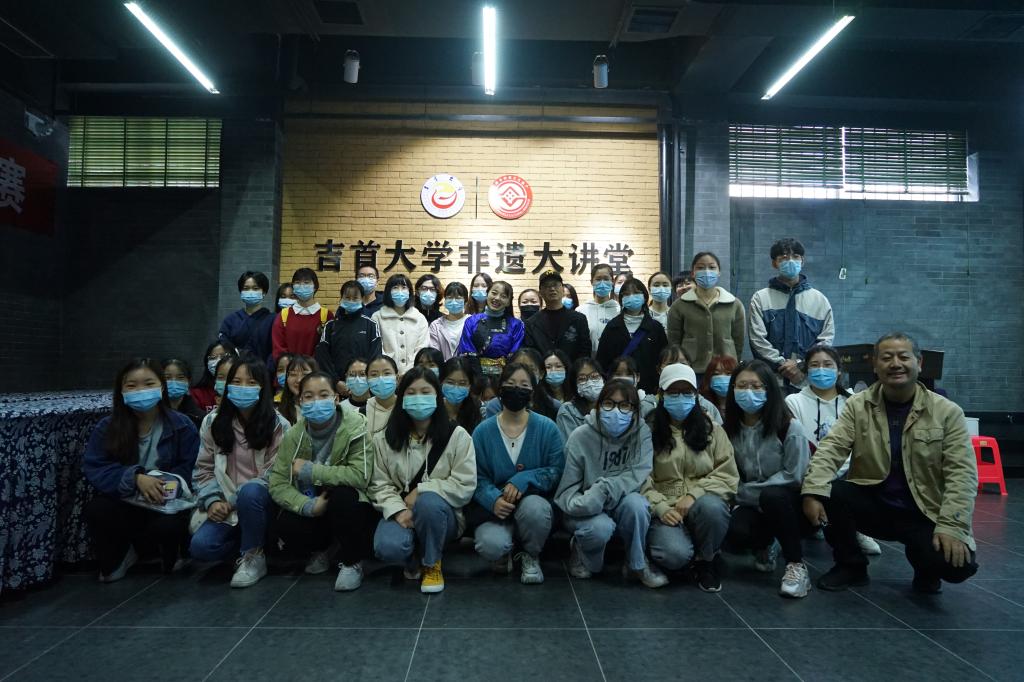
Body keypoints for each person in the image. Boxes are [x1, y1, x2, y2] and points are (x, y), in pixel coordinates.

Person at [802, 333, 979, 594]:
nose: (895, 364)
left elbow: (962, 475)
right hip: (877, 505)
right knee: (833, 492)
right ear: (875, 365)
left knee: (956, 566)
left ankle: (925, 566)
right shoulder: (858, 405)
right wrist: (812, 491)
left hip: (924, 511)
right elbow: (831, 449)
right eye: (886, 358)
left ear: (919, 363)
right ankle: (851, 566)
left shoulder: (947, 412)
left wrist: (953, 526)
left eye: (903, 357)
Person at [83, 359, 200, 581]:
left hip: (165, 501)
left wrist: (162, 484)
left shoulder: (182, 425)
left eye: (148, 384)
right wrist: (135, 478)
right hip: (125, 500)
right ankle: (123, 554)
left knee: (169, 526)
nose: (140, 391)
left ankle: (169, 553)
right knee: (97, 509)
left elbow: (191, 467)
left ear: (161, 387)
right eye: (132, 385)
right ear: (121, 391)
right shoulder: (107, 427)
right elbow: (96, 467)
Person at [369, 367, 477, 593]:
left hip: (442, 516)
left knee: (428, 502)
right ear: (401, 398)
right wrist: (399, 510)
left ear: (437, 396)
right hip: (400, 512)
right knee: (387, 547)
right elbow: (379, 484)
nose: (418, 398)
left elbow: (464, 484)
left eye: (425, 392)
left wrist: (422, 489)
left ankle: (432, 563)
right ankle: (412, 560)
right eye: (411, 392)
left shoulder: (457, 436)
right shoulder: (384, 438)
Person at [268, 371, 378, 591]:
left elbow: (360, 475)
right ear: (300, 401)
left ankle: (352, 561)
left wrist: (311, 471)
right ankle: (322, 551)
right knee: (286, 522)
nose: (316, 401)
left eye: (323, 395)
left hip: (348, 502)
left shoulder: (355, 427)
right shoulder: (294, 435)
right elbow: (277, 483)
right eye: (309, 396)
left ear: (336, 398)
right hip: (313, 500)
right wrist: (307, 505)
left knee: (344, 497)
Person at [189, 354, 290, 587]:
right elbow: (203, 468)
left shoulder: (278, 424)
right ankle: (249, 544)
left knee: (251, 492)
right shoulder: (213, 422)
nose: (242, 388)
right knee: (201, 547)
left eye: (251, 382)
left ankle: (253, 556)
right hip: (223, 504)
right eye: (236, 382)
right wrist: (213, 500)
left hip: (261, 502)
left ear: (263, 387)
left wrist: (233, 501)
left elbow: (274, 475)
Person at [555, 379, 666, 588]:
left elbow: (640, 471)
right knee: (600, 528)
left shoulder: (641, 432)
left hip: (621, 499)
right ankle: (581, 550)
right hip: (586, 506)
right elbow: (567, 492)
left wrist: (607, 488)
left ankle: (636, 564)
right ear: (598, 406)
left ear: (635, 410)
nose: (616, 411)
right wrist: (592, 498)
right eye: (609, 403)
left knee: (638, 505)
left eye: (624, 405)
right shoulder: (580, 437)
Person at [643, 364, 737, 591]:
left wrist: (695, 494)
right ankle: (683, 551)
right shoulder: (647, 431)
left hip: (702, 503)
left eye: (687, 392)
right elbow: (639, 477)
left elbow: (727, 474)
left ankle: (706, 561)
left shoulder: (712, 429)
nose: (680, 398)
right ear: (661, 395)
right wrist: (660, 507)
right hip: (665, 507)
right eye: (673, 392)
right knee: (674, 554)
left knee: (713, 509)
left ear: (696, 395)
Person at [723, 360, 812, 598]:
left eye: (756, 386)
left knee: (773, 497)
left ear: (769, 389)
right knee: (735, 532)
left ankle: (796, 564)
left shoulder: (789, 427)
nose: (748, 392)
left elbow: (795, 476)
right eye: (742, 386)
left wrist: (745, 492)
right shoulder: (728, 429)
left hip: (788, 503)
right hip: (751, 504)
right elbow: (727, 472)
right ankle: (766, 544)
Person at [469, 363, 565, 584]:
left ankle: (531, 554)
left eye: (523, 385)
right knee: (489, 545)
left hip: (533, 502)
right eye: (510, 384)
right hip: (495, 509)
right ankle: (505, 553)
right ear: (500, 388)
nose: (516, 390)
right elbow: (476, 477)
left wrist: (524, 478)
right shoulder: (482, 432)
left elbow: (556, 471)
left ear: (532, 391)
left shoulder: (547, 428)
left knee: (535, 510)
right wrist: (493, 499)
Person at [786, 344, 882, 556]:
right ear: (806, 371)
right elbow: (797, 445)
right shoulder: (793, 402)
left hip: (848, 471)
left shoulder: (854, 401)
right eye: (815, 365)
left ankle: (856, 528)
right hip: (809, 469)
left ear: (839, 370)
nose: (821, 370)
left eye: (828, 365)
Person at [749, 238, 835, 391]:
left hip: (807, 382)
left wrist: (801, 364)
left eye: (795, 257)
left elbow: (826, 340)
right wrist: (783, 365)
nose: (790, 261)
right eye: (784, 258)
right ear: (774, 263)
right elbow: (757, 340)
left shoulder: (819, 300)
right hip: (772, 382)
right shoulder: (761, 299)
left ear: (802, 261)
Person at [667, 252, 745, 377]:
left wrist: (732, 363)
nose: (707, 272)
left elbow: (738, 341)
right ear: (693, 273)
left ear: (719, 272)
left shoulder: (734, 304)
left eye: (712, 267)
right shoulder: (679, 305)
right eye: (700, 267)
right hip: (691, 369)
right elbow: (674, 341)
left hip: (725, 370)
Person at [596, 278, 668, 394]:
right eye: (627, 294)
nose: (632, 297)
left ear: (645, 297)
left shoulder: (655, 328)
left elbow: (662, 360)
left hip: (650, 389)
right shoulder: (612, 327)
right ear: (621, 299)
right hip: (617, 389)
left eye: (636, 293)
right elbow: (602, 361)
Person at [315, 280, 382, 395]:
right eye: (347, 297)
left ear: (362, 299)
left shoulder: (371, 325)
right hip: (336, 387)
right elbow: (323, 357)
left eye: (355, 298)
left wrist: (365, 380)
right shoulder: (330, 325)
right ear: (341, 298)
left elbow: (375, 356)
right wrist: (336, 381)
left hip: (365, 385)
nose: (351, 301)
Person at [456, 280, 524, 379]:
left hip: (505, 379)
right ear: (487, 294)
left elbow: (515, 355)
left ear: (509, 302)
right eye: (494, 293)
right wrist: (480, 379)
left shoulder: (516, 325)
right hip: (475, 377)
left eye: (503, 296)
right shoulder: (471, 321)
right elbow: (466, 351)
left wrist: (504, 379)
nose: (497, 298)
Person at [640, 346, 722, 425]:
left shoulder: (706, 406)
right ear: (659, 370)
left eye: (683, 363)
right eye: (670, 364)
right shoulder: (646, 408)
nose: (678, 368)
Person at [523, 270, 592, 363]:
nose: (552, 289)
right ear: (540, 292)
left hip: (572, 370)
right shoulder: (531, 323)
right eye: (547, 286)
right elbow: (531, 354)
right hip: (543, 370)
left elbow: (585, 351)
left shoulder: (579, 319)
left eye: (555, 285)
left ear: (562, 289)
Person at [370, 273, 429, 375]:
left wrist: (408, 371)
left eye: (404, 287)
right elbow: (377, 348)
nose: (400, 291)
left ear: (410, 291)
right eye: (395, 288)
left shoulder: (419, 318)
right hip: (386, 374)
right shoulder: (377, 317)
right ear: (388, 292)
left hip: (414, 374)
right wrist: (390, 370)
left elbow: (422, 348)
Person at [272, 268, 333, 360]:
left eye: (306, 282)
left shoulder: (326, 315)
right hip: (289, 367)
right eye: (297, 283)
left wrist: (310, 366)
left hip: (315, 368)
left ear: (315, 286)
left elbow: (328, 349)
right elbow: (278, 348)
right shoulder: (283, 315)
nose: (302, 286)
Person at [219, 271, 275, 366]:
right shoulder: (230, 320)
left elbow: (274, 350)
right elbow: (225, 347)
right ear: (241, 292)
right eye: (246, 288)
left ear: (264, 292)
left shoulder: (272, 320)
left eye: (255, 288)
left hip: (263, 370)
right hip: (235, 369)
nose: (250, 292)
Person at [556, 357, 604, 442]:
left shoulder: (612, 406)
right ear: (575, 385)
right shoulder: (567, 410)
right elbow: (573, 444)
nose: (590, 382)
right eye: (582, 379)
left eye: (594, 376)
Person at [578, 264, 621, 354]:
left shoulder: (619, 310)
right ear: (591, 282)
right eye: (598, 279)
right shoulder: (581, 311)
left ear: (612, 281)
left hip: (614, 359)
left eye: (606, 279)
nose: (602, 283)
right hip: (588, 359)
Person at [428, 282, 470, 361]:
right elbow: (433, 354)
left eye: (458, 298)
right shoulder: (436, 325)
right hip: (442, 368)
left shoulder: (472, 322)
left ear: (466, 300)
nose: (453, 301)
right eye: (449, 297)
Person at [440, 356, 482, 435]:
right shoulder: (434, 409)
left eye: (462, 383)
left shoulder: (476, 412)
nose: (456, 388)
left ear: (469, 386)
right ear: (442, 382)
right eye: (450, 382)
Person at [191, 340, 236, 412]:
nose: (218, 361)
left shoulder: (241, 390)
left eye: (223, 356)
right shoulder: (197, 394)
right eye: (212, 358)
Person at [162, 358, 204, 428]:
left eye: (180, 377)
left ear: (189, 382)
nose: (174, 382)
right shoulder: (152, 415)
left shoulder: (198, 417)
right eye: (167, 378)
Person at [365, 354, 399, 439]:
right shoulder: (360, 414)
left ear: (397, 378)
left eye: (387, 373)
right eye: (374, 374)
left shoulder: (408, 408)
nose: (381, 379)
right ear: (367, 380)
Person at [278, 355, 318, 425]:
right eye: (293, 374)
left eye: (305, 374)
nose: (299, 380)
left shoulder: (324, 409)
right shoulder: (278, 410)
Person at [699, 354, 738, 423]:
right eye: (716, 374)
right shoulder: (703, 404)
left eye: (728, 373)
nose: (722, 377)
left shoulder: (743, 405)